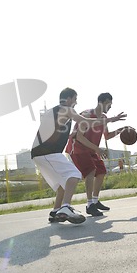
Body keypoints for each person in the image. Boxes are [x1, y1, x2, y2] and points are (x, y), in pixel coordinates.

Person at [31, 88, 125, 224]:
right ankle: (66, 208)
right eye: (75, 99)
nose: (76, 102)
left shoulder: (52, 111)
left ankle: (55, 212)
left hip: (39, 153)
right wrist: (112, 119)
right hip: (47, 152)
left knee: (63, 185)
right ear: (68, 99)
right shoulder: (67, 109)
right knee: (74, 174)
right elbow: (85, 122)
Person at [65, 92, 127, 217]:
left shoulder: (103, 118)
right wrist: (97, 149)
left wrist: (121, 130)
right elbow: (79, 137)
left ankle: (95, 200)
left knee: (101, 171)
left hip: (91, 149)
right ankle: (89, 205)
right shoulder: (86, 115)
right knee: (91, 171)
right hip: (77, 148)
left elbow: (107, 136)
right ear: (101, 103)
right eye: (109, 104)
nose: (110, 107)